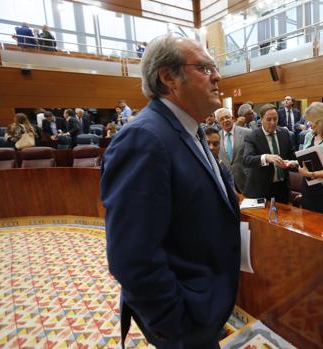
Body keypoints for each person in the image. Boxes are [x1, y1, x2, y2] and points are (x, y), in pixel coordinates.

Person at [100, 34, 240, 349]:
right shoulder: (144, 139)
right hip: (184, 321)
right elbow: (131, 258)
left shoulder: (191, 130)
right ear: (168, 77)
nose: (217, 76)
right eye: (205, 68)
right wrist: (176, 322)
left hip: (204, 309)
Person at [243, 104, 297, 203]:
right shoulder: (252, 137)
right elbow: (247, 160)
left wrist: (293, 162)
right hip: (261, 189)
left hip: (282, 187)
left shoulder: (285, 133)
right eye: (268, 119)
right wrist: (266, 157)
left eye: (275, 119)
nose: (272, 123)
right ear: (261, 119)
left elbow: (292, 154)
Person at [216, 107, 251, 192]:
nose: (225, 120)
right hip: (228, 183)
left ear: (232, 118)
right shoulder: (217, 137)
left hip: (246, 179)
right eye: (222, 119)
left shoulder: (247, 133)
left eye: (227, 117)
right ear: (218, 123)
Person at [205, 126, 236, 191]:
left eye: (215, 144)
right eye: (207, 143)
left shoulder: (223, 167)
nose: (211, 147)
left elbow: (232, 191)